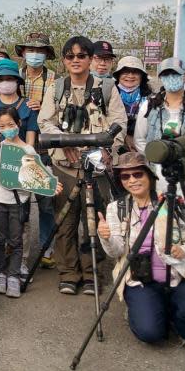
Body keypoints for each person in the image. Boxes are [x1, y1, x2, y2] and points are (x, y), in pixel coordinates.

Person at [97, 152, 185, 351]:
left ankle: (183, 327)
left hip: (177, 276)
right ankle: (142, 310)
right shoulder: (116, 208)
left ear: (150, 175)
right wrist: (106, 237)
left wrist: (184, 251)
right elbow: (115, 251)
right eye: (125, 176)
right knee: (150, 333)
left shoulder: (173, 203)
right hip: (139, 280)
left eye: (137, 174)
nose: (132, 180)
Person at [38, 36, 127, 295]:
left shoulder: (108, 89)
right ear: (64, 60)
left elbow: (119, 124)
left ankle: (92, 273)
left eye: (81, 56)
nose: (75, 60)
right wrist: (63, 141)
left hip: (97, 168)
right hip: (65, 167)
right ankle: (68, 272)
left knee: (95, 222)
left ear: (90, 58)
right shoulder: (56, 88)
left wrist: (103, 148)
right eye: (70, 56)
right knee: (65, 221)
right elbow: (45, 121)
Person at [0, 106, 62, 299]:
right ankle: (0, 272)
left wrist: (51, 187)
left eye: (10, 124)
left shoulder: (28, 150)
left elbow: (36, 178)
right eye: (2, 126)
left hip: (18, 202)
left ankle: (14, 275)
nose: (7, 128)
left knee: (16, 241)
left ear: (19, 124)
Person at [134, 58, 185, 210]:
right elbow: (140, 139)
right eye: (166, 75)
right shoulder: (149, 106)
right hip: (159, 179)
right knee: (161, 229)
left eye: (175, 74)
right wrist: (156, 157)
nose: (170, 78)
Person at [15, 32, 57, 268]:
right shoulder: (14, 75)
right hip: (17, 145)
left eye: (40, 51)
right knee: (18, 199)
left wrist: (44, 108)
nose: (34, 55)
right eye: (31, 50)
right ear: (23, 52)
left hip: (44, 147)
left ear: (46, 55)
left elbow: (60, 109)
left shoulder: (54, 79)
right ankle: (17, 249)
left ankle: (47, 248)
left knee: (45, 200)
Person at [113, 56, 154, 152]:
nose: (130, 75)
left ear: (142, 76)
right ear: (118, 75)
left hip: (142, 147)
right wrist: (125, 137)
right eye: (125, 71)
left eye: (135, 72)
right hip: (114, 145)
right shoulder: (108, 94)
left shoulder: (151, 98)